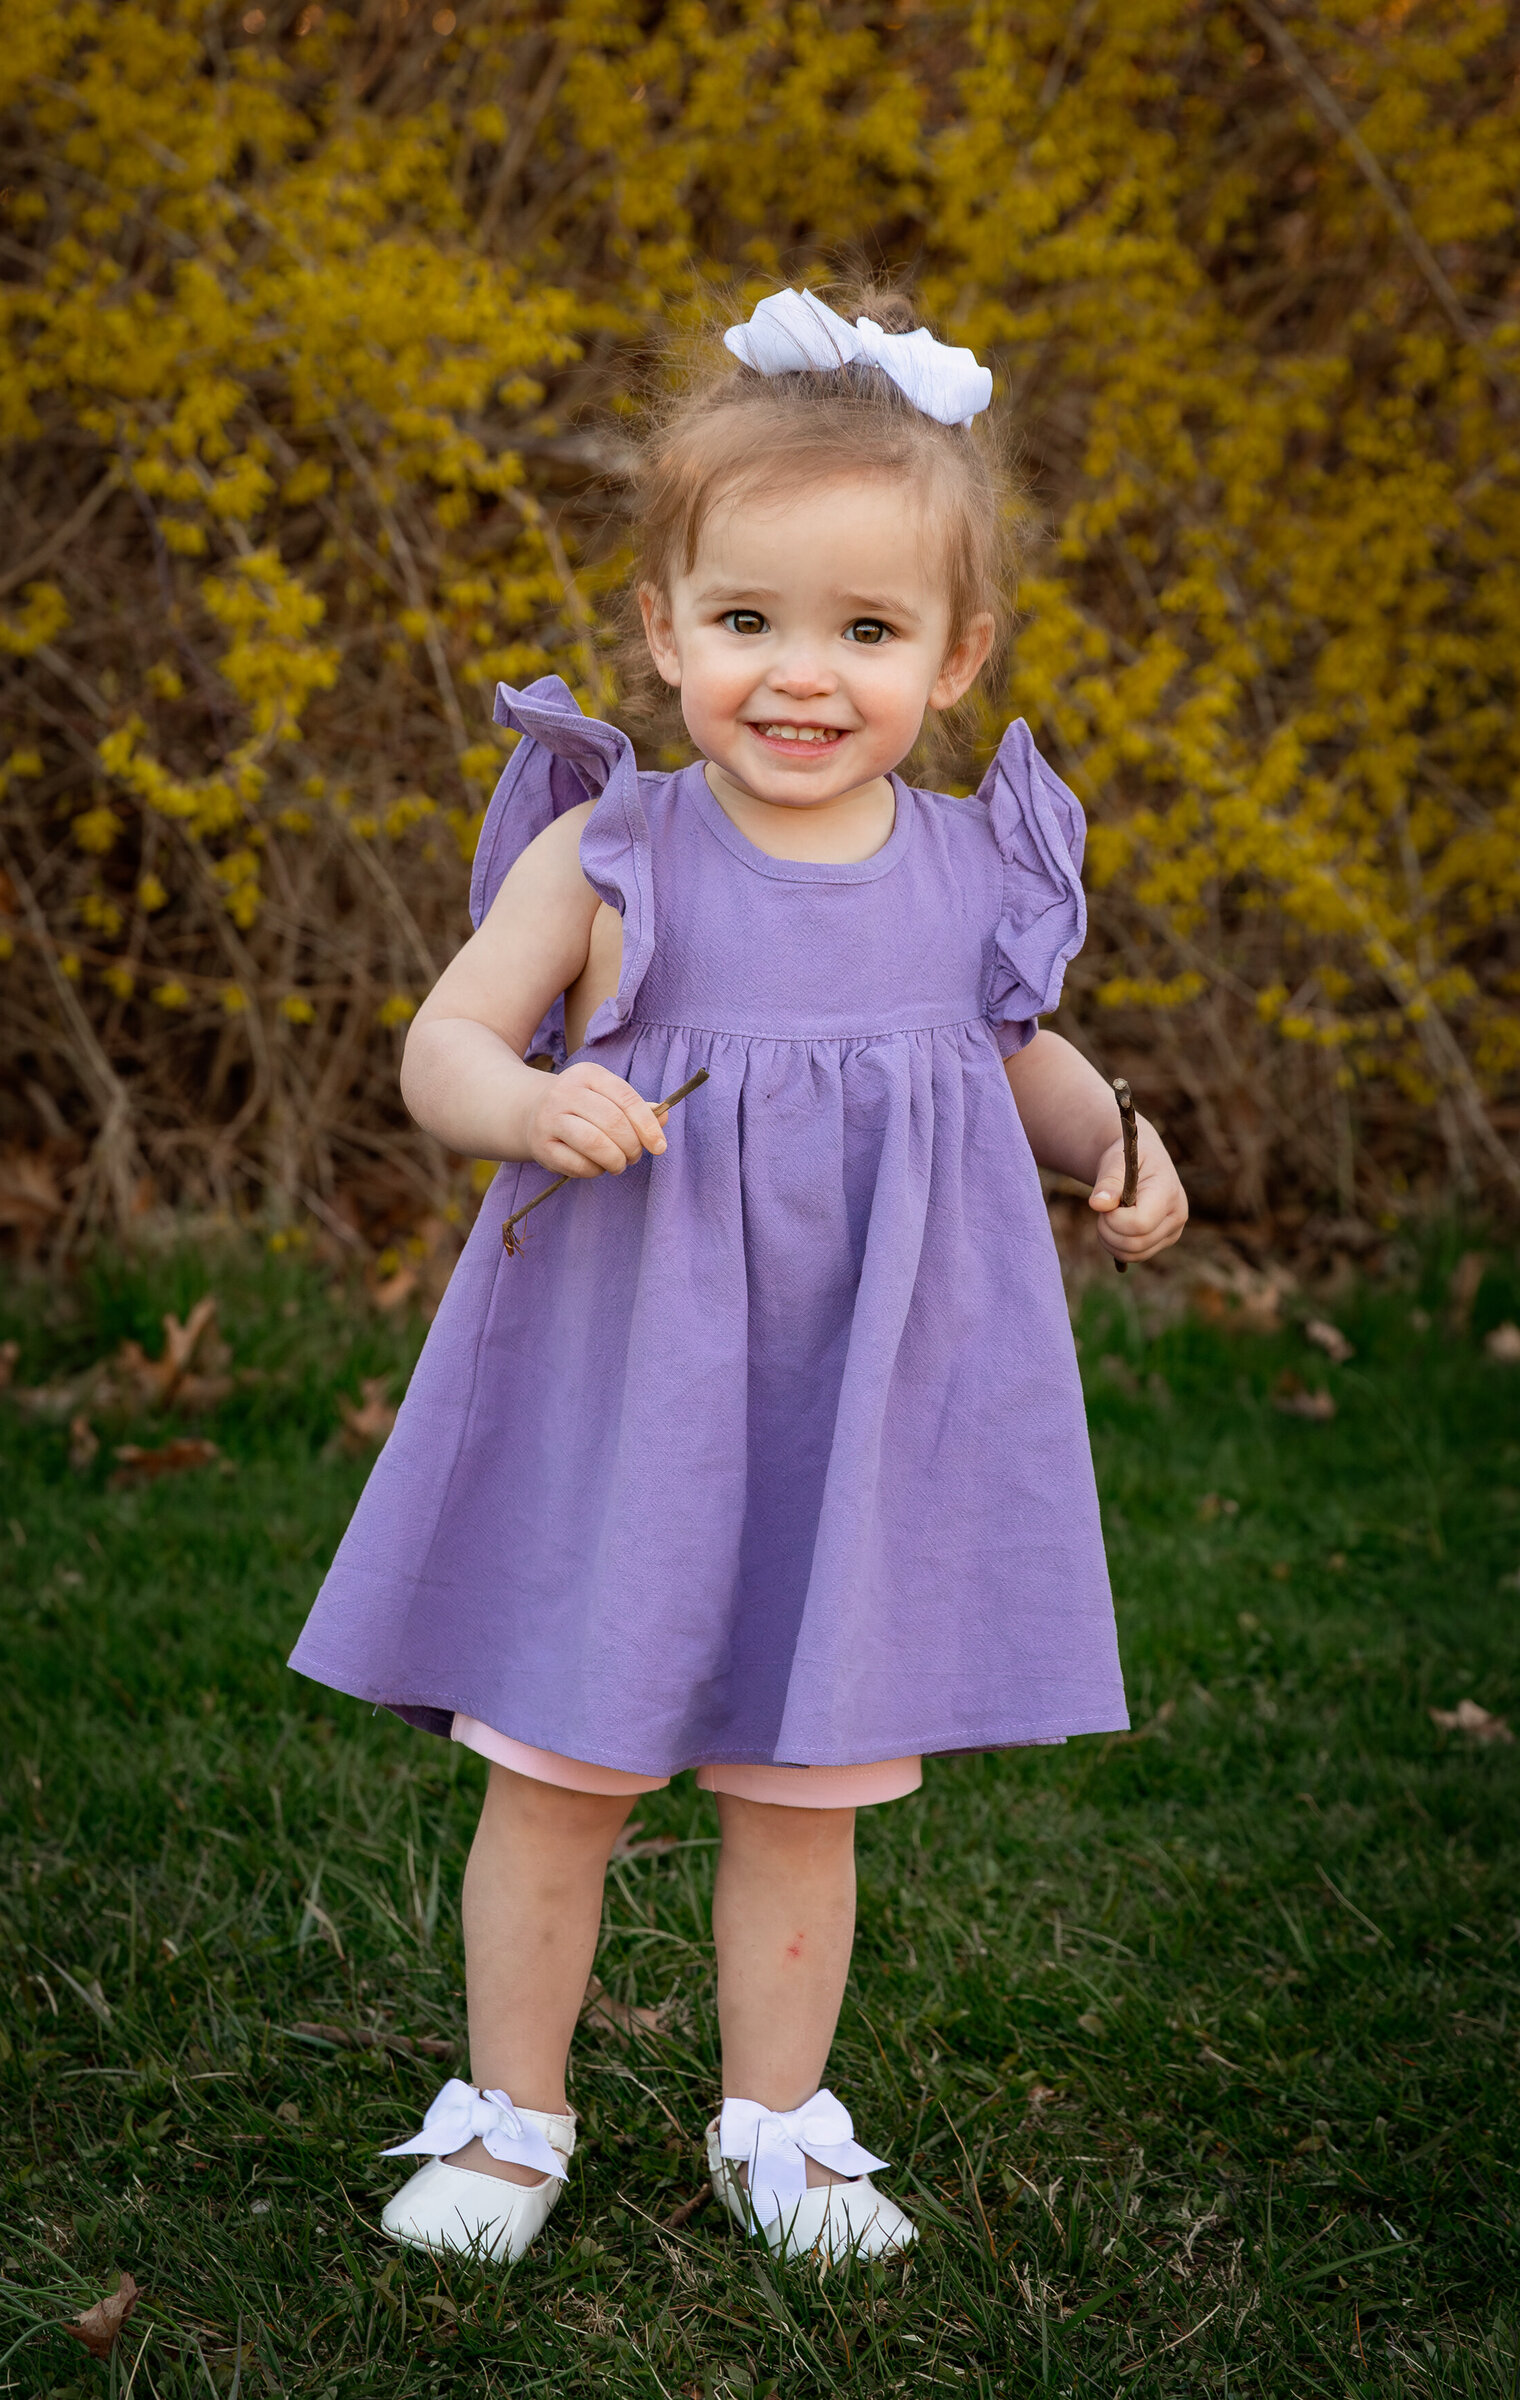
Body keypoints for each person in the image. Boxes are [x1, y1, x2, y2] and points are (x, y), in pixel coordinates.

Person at [289, 283, 1189, 2266]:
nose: (801, 677)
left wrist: (1112, 1143)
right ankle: (507, 2110)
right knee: (563, 1769)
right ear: (662, 626)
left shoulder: (966, 868)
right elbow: (442, 1045)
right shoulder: (614, 851)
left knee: (804, 1791)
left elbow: (1006, 1050)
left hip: (846, 1420)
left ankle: (775, 2118)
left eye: (864, 633)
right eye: (749, 623)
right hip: (633, 1406)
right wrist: (524, 1110)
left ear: (951, 657)